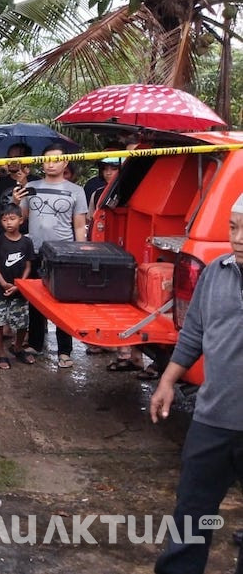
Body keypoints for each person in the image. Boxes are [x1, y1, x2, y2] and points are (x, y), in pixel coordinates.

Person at [149, 192, 243, 574]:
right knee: (192, 513)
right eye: (234, 227)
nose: (238, 237)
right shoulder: (216, 272)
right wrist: (168, 380)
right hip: (214, 418)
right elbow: (194, 334)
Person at [13, 142, 88, 369]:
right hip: (34, 251)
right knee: (36, 300)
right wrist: (16, 201)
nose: (51, 163)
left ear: (65, 163)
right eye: (47, 159)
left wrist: (80, 254)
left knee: (62, 302)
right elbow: (22, 218)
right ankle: (36, 343)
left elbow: (79, 226)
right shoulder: (31, 186)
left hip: (63, 254)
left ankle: (65, 351)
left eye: (56, 159)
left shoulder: (76, 191)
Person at [0, 205, 35, 369]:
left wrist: (19, 284)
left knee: (22, 323)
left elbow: (29, 266)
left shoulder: (26, 242)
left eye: (12, 219)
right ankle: (1, 353)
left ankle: (18, 347)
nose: (8, 223)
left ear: (21, 220)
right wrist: (3, 283)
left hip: (20, 291)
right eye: (5, 219)